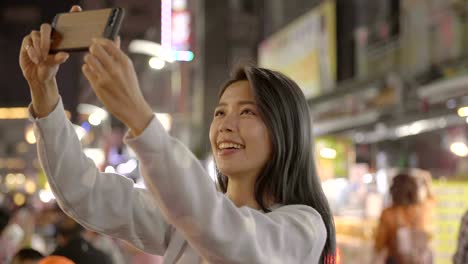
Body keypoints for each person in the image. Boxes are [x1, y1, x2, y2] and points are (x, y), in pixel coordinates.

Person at [19, 5, 336, 263]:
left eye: (248, 111)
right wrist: (43, 89)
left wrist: (138, 116)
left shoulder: (303, 226)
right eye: (220, 112)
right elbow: (85, 193)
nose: (225, 124)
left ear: (286, 129)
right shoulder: (184, 221)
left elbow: (228, 235)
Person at [374, 173, 433, 264]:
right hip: (420, 260)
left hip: (396, 261)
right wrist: (427, 180)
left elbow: (379, 244)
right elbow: (432, 198)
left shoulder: (389, 213)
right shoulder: (423, 210)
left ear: (393, 191)